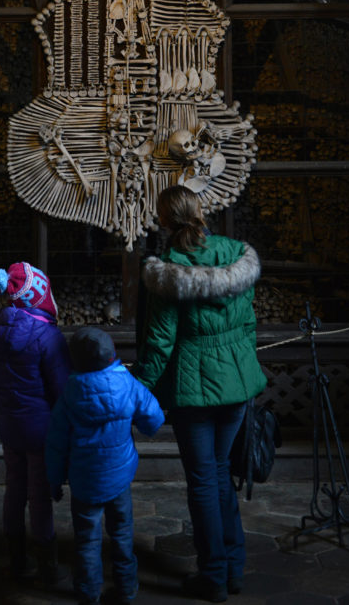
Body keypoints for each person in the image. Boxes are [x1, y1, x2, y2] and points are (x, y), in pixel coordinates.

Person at [133, 185, 266, 603]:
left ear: (164, 220)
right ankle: (233, 567)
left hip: (193, 391)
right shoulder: (234, 256)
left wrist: (138, 391)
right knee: (222, 471)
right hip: (237, 386)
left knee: (204, 481)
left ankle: (213, 576)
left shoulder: (168, 269)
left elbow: (159, 342)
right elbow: (248, 324)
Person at [46, 326, 164, 605]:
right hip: (119, 477)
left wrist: (55, 480)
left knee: (87, 541)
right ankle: (126, 588)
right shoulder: (128, 384)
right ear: (112, 356)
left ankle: (89, 593)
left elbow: (55, 444)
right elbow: (154, 420)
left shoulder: (68, 395)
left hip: (85, 483)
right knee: (122, 532)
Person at [0, 260, 71, 585]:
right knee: (40, 496)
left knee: (14, 490)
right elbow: (61, 390)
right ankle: (47, 566)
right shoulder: (49, 337)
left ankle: (17, 561)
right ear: (40, 294)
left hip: (10, 426)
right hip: (42, 430)